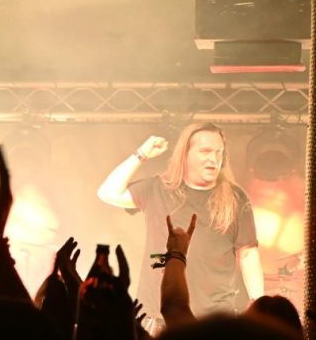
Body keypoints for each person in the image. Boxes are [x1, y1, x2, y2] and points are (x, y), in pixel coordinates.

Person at [96, 123, 263, 327]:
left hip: (215, 317)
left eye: (219, 152)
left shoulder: (235, 197)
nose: (214, 159)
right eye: (205, 151)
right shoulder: (158, 188)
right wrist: (141, 154)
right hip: (158, 314)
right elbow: (107, 193)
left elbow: (248, 253)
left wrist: (259, 305)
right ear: (185, 154)